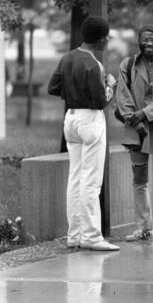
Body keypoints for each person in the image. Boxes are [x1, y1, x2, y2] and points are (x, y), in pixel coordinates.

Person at [48, 16, 120, 251]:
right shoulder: (93, 64)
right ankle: (91, 236)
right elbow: (101, 101)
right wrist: (110, 84)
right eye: (106, 37)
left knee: (75, 179)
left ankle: (75, 235)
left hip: (71, 119)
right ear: (100, 38)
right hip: (90, 120)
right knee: (91, 181)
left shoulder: (67, 58)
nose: (107, 40)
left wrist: (73, 94)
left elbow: (53, 88)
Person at [116, 25, 153, 241]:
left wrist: (145, 114)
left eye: (152, 39)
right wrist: (134, 119)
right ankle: (143, 228)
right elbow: (122, 95)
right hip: (135, 131)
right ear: (139, 42)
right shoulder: (129, 64)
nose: (148, 43)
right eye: (144, 40)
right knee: (139, 180)